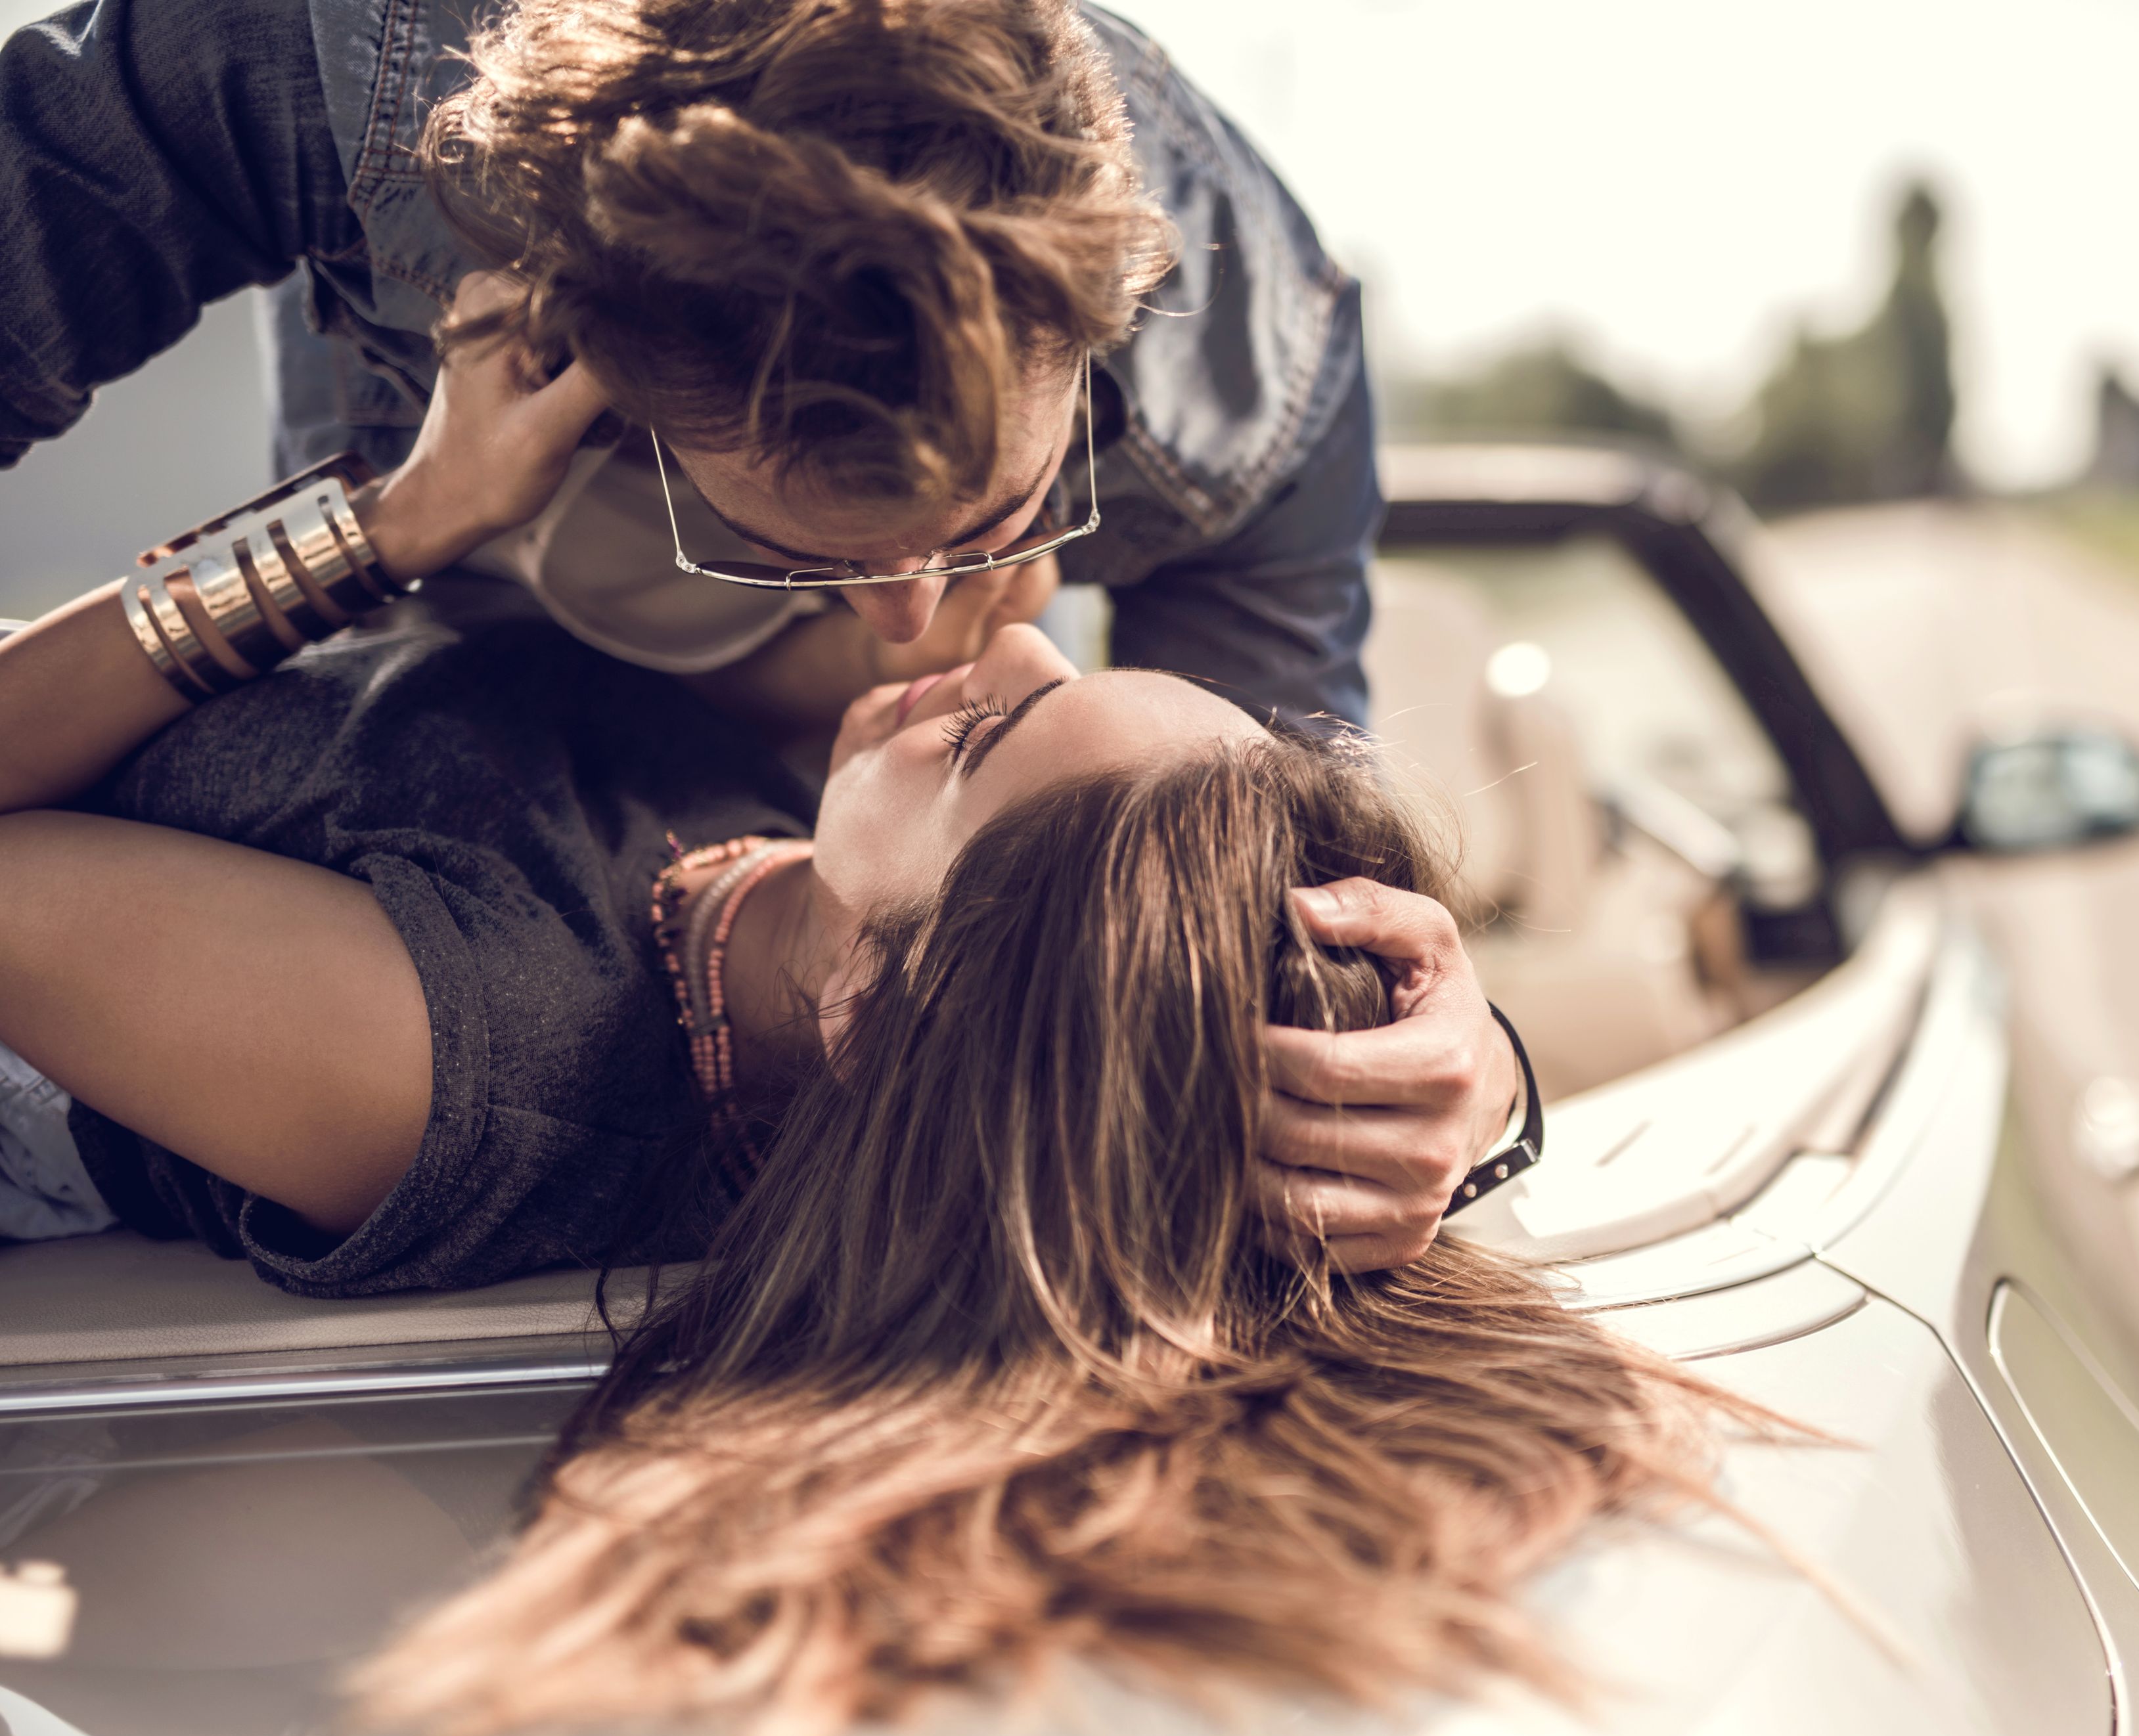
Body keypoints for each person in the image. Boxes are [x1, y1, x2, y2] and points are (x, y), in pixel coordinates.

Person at [0, 0, 1520, 1262]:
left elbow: (1257, 964)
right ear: (563, 333)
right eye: (789, 558)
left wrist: (1462, 1080)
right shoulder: (326, 60)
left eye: (1004, 525)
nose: (943, 627)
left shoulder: (1251, 416)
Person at [344, 701, 1797, 1736]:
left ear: (874, 1002)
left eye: (987, 735)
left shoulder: (456, 1061)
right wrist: (1481, 1078)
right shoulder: (1669, 1604)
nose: (1009, 610)